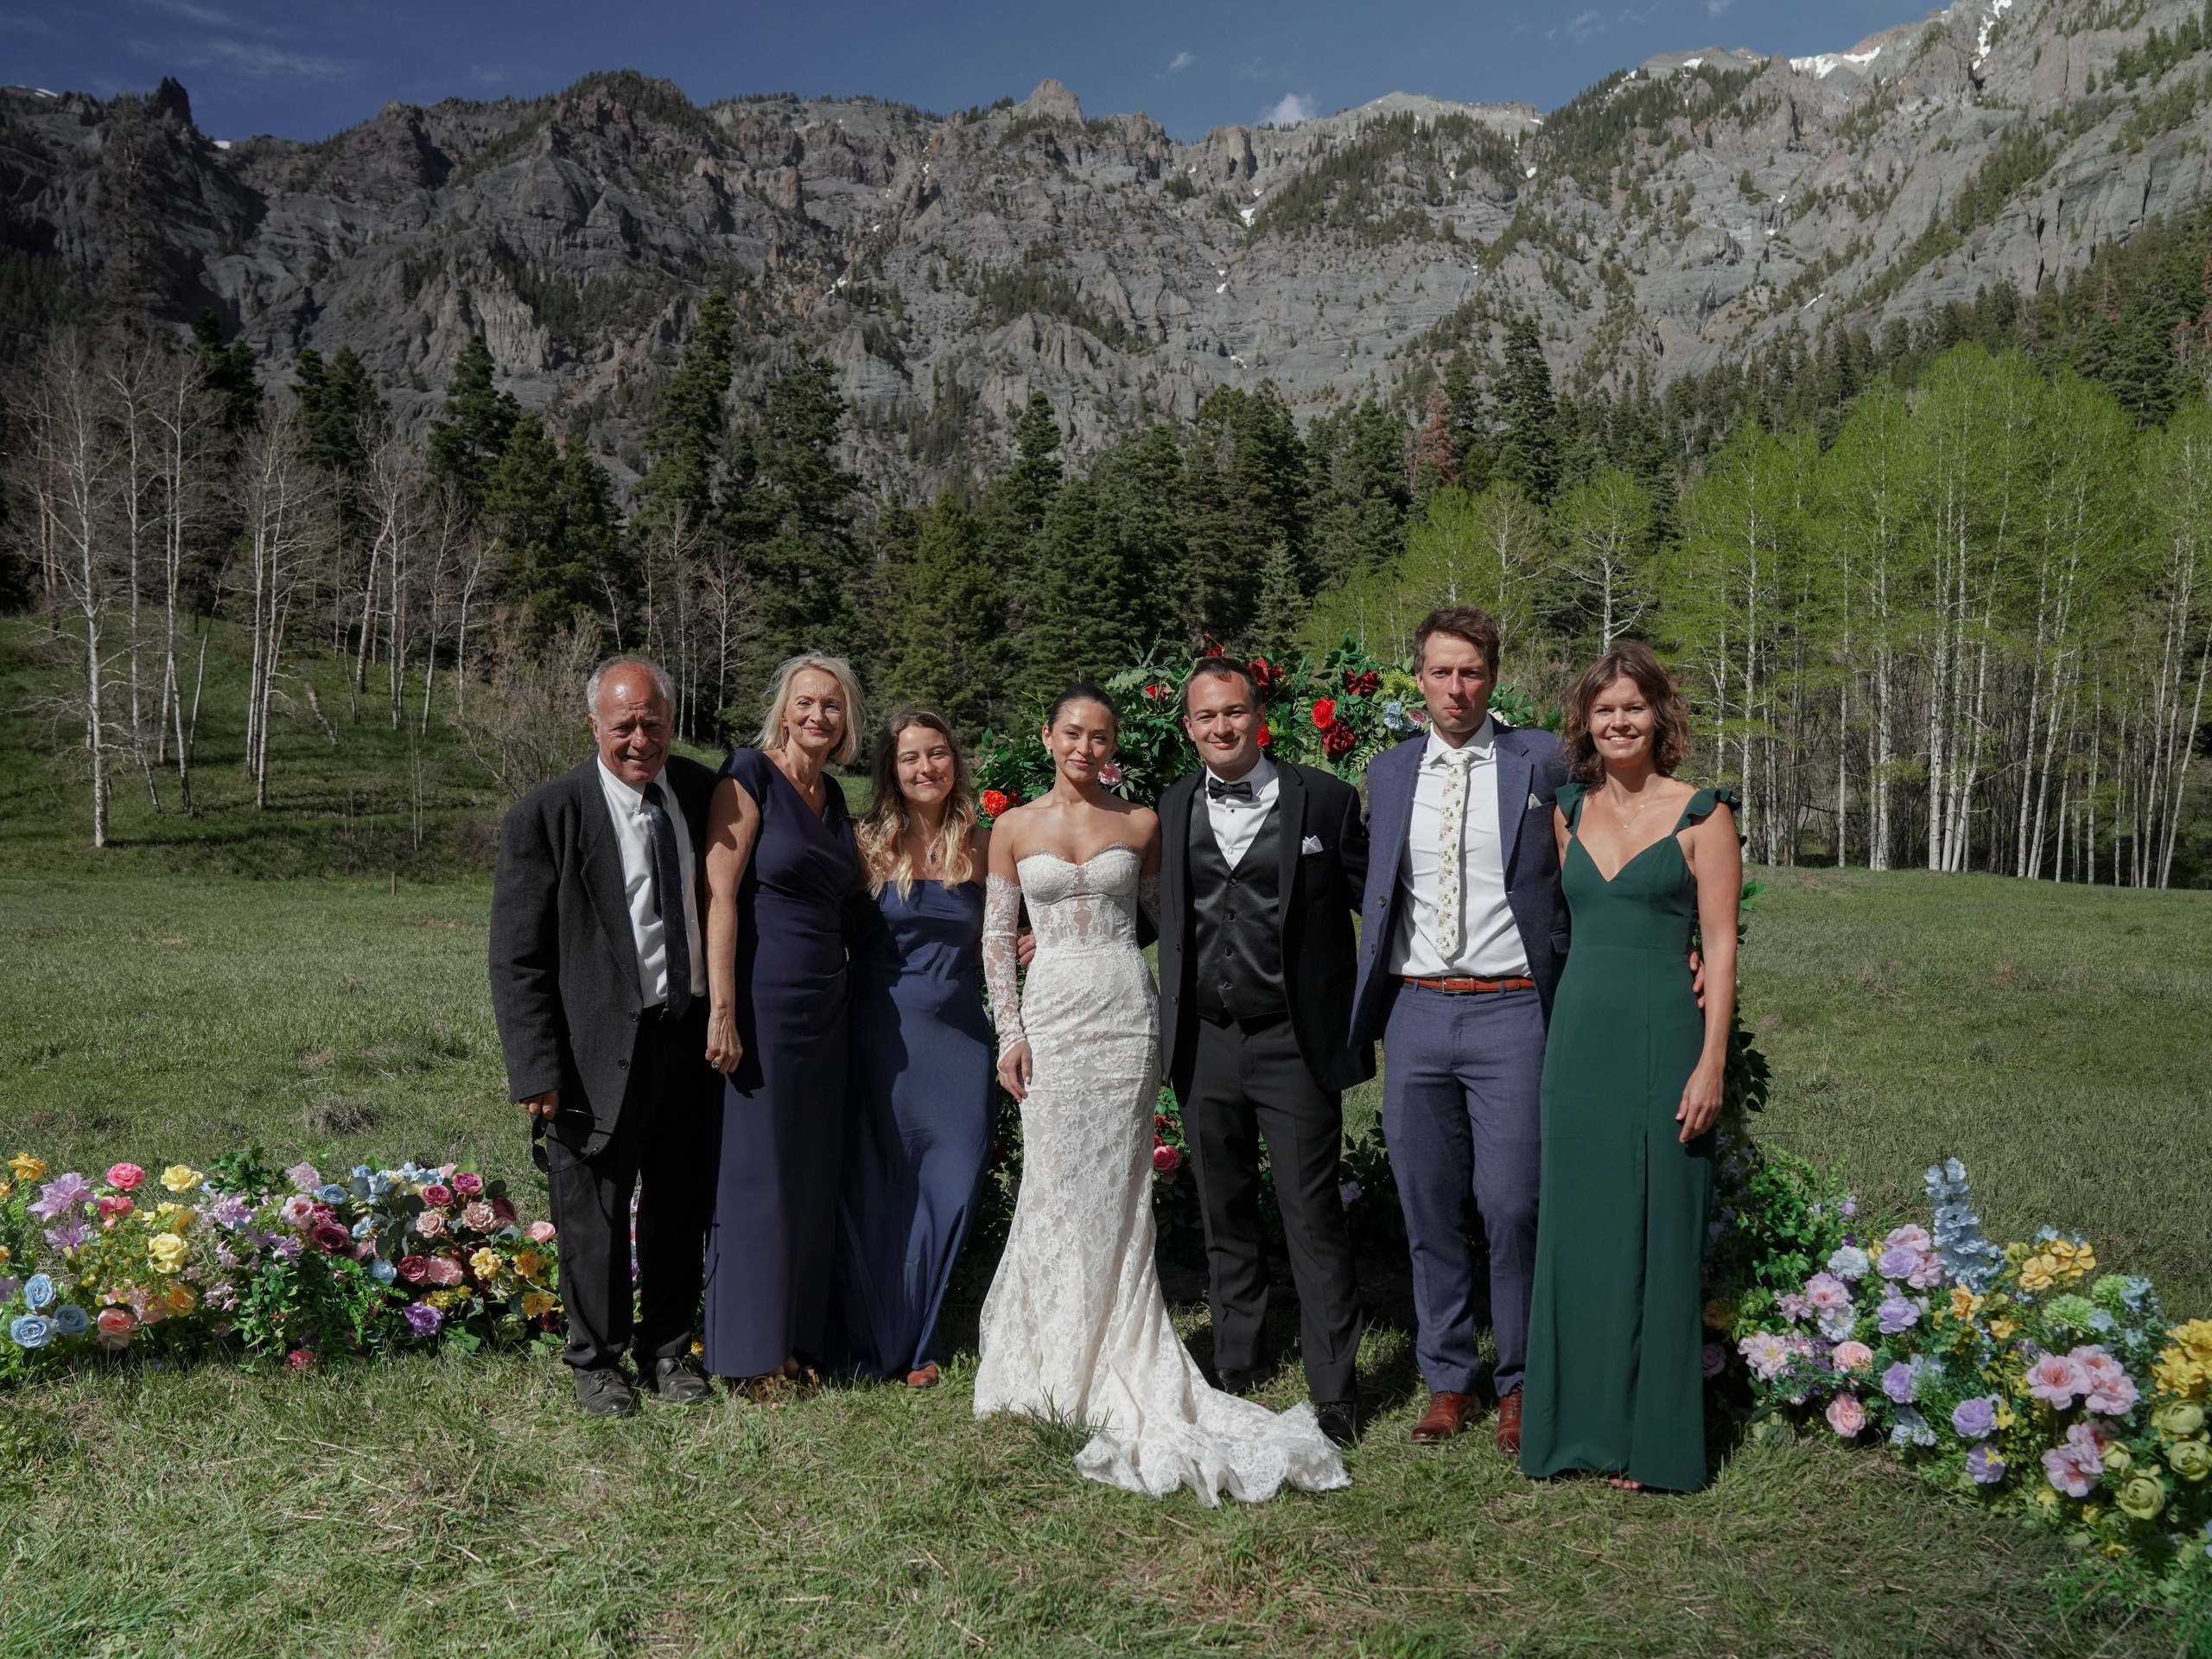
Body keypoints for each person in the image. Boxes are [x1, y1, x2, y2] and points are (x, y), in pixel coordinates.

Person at [976, 684, 1349, 1505]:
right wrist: (1010, 1032)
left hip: (1126, 1020)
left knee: (1123, 1191)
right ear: (1048, 737)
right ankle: (1053, 1355)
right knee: (1053, 1185)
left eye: (1100, 736)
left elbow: (1169, 917)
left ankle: (1138, 1349)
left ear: (1115, 745)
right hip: (1053, 1021)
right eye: (1072, 732)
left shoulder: (1144, 823)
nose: (1085, 747)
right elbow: (997, 938)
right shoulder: (1011, 828)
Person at [1347, 605, 1571, 1452]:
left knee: (1513, 1205)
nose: (1456, 687)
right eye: (1440, 671)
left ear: (1492, 678)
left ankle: (1520, 1380)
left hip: (1513, 1008)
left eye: (1471, 671)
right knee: (1428, 1202)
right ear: (1419, 679)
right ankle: (1448, 1378)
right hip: (1416, 1009)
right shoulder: (1390, 770)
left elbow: (1604, 848)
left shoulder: (1540, 758)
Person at [1519, 643, 1739, 1493]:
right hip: (1579, 1043)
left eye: (1633, 708)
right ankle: (1576, 1429)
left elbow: (1720, 946)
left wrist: (1711, 1062)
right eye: (1604, 709)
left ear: (1659, 717)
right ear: (1585, 722)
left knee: (1659, 1232)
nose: (1619, 722)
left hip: (1665, 1040)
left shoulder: (1702, 815)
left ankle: (1654, 1445)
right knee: (1582, 1232)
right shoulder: (1566, 812)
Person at [488, 655, 718, 1417]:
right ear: (594, 725)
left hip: (687, 1038)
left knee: (678, 1204)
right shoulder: (546, 816)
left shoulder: (702, 793)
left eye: (653, 723)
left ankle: (668, 1350)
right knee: (592, 1212)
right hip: (591, 1050)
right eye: (624, 725)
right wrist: (536, 1068)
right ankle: (596, 1360)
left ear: (672, 722)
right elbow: (517, 958)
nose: (640, 739)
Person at [1154, 658, 1370, 1447]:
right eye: (1207, 716)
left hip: (1293, 1040)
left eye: (1235, 711)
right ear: (1189, 727)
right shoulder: (1172, 805)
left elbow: (1381, 902)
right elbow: (1155, 909)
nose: (1223, 727)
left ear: (1259, 714)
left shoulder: (1327, 801)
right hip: (1204, 1038)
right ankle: (1236, 1362)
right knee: (1223, 1207)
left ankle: (1335, 1389)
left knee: (1312, 1214)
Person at [700, 652, 862, 1382]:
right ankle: (750, 1352)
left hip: (827, 1002)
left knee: (809, 1169)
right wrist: (723, 1010)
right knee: (758, 1170)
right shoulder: (749, 775)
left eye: (831, 705)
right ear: (784, 711)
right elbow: (719, 897)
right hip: (762, 1000)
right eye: (805, 702)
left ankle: (798, 1340)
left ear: (846, 719)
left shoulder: (835, 796)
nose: (817, 715)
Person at [830, 708, 995, 1388]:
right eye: (910, 757)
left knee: (951, 1185)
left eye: (937, 753)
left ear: (955, 759)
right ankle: (885, 1338)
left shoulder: (984, 844)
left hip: (960, 1044)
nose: (927, 767)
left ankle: (919, 1330)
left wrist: (1031, 940)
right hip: (879, 1040)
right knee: (879, 1188)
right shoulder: (862, 845)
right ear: (890, 770)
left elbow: (1019, 921)